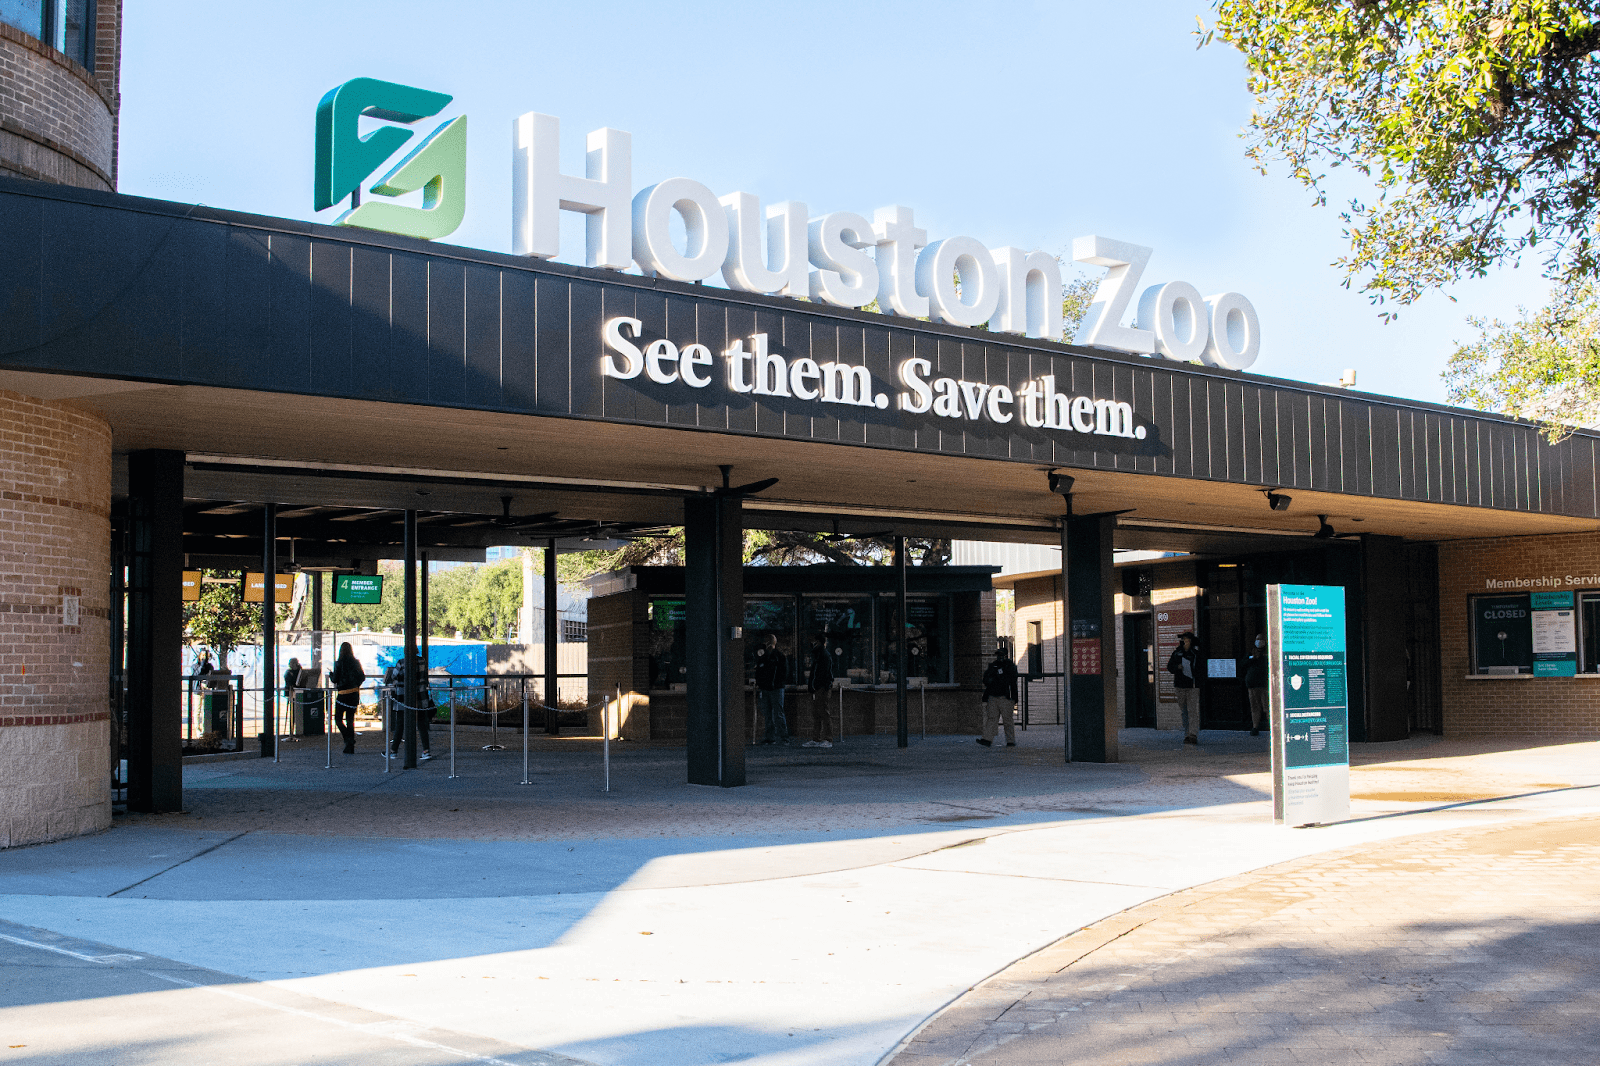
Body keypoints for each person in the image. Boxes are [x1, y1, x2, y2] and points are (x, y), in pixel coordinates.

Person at [385, 655, 434, 762]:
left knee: (400, 724)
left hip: (404, 698)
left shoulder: (401, 662)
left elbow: (393, 676)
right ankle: (426, 750)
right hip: (420, 697)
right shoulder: (422, 661)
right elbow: (424, 676)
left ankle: (394, 751)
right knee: (421, 724)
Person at [1167, 631, 1204, 746]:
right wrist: (1177, 667)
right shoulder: (1177, 653)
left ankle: (1193, 734)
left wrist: (1194, 674)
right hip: (1180, 685)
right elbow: (1169, 666)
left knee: (1192, 710)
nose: (1185, 642)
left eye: (1187, 640)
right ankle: (1186, 734)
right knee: (1184, 711)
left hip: (1192, 686)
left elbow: (1201, 669)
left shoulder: (1196, 654)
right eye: (1184, 639)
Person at [978, 647, 1019, 747]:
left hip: (1006, 696)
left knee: (1007, 719)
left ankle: (1010, 741)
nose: (1000, 657)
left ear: (1006, 656)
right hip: (993, 696)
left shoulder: (1010, 666)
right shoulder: (993, 666)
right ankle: (987, 739)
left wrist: (1014, 697)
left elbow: (1011, 680)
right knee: (992, 718)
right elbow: (986, 679)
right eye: (998, 655)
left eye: (1002, 655)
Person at [329, 643, 364, 755]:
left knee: (338, 720)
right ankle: (350, 745)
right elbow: (362, 677)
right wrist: (356, 685)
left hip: (342, 694)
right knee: (350, 720)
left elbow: (335, 680)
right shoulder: (356, 662)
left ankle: (348, 739)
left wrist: (331, 675)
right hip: (354, 694)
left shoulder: (338, 663)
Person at [753, 633, 788, 745]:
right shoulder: (764, 657)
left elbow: (784, 673)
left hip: (776, 689)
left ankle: (783, 737)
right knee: (768, 714)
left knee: (778, 713)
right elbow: (759, 672)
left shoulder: (779, 657)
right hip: (766, 689)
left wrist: (776, 684)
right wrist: (761, 684)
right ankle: (770, 737)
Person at [801, 633, 835, 749]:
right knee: (817, 713)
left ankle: (827, 739)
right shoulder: (818, 655)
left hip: (821, 688)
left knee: (824, 713)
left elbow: (825, 674)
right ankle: (817, 738)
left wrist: (822, 686)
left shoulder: (824, 655)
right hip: (817, 688)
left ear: (818, 642)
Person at [1244, 634, 1269, 736]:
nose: (1259, 641)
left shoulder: (1268, 652)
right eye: (1257, 639)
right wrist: (1252, 659)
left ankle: (1272, 726)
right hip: (1252, 685)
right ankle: (1255, 727)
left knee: (1267, 707)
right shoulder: (1251, 652)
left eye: (1261, 639)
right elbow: (1243, 664)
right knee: (1254, 707)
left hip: (1264, 685)